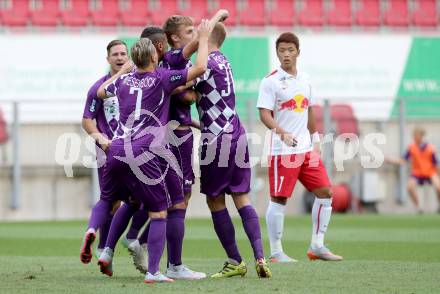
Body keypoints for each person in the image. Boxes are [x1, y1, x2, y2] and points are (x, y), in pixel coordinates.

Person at [96, 20, 211, 283]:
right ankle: (155, 272)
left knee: (128, 201)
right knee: (160, 212)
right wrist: (203, 38)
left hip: (116, 150)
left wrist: (122, 71)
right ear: (152, 55)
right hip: (146, 149)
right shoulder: (161, 77)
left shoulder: (123, 81)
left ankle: (107, 251)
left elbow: (101, 91)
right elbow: (201, 67)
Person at [256, 32, 343, 262]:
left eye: (290, 50)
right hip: (283, 151)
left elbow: (309, 110)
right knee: (279, 199)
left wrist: (315, 139)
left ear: (298, 52)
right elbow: (264, 113)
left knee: (326, 193)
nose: (286, 54)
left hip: (306, 150)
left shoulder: (305, 79)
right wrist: (281, 133)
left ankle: (317, 245)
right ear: (277, 53)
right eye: (282, 50)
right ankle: (276, 252)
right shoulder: (270, 81)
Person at [195, 22, 271, 278]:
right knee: (241, 196)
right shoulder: (224, 61)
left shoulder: (206, 63)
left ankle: (235, 260)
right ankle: (261, 256)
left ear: (207, 38)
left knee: (215, 200)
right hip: (236, 132)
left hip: (216, 139)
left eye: (199, 35)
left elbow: (185, 83)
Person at [79, 39, 128, 264]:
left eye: (123, 54)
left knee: (111, 200)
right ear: (107, 59)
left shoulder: (135, 83)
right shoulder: (98, 88)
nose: (119, 57)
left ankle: (94, 234)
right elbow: (87, 119)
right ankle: (106, 247)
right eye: (115, 54)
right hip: (113, 149)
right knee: (131, 201)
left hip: (125, 150)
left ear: (129, 58)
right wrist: (99, 137)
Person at [387, 127, 440, 213]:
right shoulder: (411, 147)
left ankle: (439, 205)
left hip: (430, 172)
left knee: (438, 187)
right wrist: (390, 160)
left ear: (421, 136)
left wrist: (438, 174)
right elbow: (403, 160)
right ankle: (419, 207)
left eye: (416, 135)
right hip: (417, 172)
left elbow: (436, 163)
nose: (414, 137)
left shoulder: (430, 148)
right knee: (410, 187)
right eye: (414, 135)